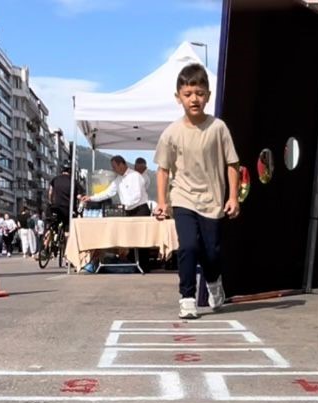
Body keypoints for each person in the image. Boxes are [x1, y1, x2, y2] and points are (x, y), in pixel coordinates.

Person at [154, 63, 240, 320]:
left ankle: (214, 284)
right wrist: (161, 202)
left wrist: (233, 197)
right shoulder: (171, 133)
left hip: (212, 200)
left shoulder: (218, 128)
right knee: (188, 246)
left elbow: (232, 164)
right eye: (188, 94)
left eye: (200, 93)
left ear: (208, 96)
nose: (194, 99)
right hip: (183, 198)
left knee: (211, 252)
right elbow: (163, 170)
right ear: (178, 97)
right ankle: (187, 297)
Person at [82, 155, 150, 217]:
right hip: (127, 211)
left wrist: (123, 206)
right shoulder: (118, 179)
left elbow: (137, 195)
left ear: (121, 165)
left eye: (114, 167)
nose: (113, 170)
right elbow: (107, 193)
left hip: (140, 210)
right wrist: (91, 198)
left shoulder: (135, 175)